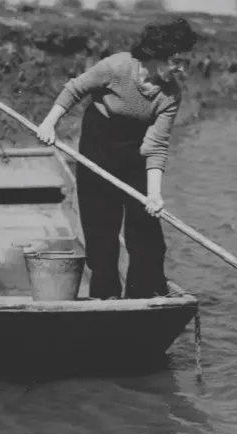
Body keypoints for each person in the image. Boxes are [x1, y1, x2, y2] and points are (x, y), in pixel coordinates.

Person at [36, 18, 198, 300]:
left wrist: (154, 195)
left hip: (135, 154)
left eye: (184, 62)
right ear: (156, 54)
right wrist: (49, 124)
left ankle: (142, 297)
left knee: (148, 236)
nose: (181, 68)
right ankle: (105, 298)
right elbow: (74, 89)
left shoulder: (170, 95)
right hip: (97, 147)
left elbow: (157, 145)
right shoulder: (117, 67)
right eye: (176, 60)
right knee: (102, 232)